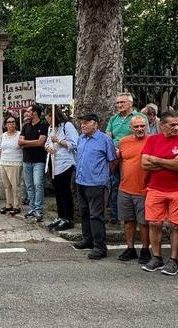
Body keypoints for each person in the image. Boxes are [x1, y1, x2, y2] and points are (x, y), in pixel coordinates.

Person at [141, 110, 178, 276]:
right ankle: (156, 257)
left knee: (175, 225)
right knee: (154, 223)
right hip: (155, 188)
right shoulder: (152, 140)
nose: (177, 127)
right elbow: (144, 164)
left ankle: (173, 260)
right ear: (162, 125)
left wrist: (156, 160)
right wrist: (172, 162)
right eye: (172, 124)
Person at [72, 114, 117, 260]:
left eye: (86, 123)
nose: (82, 126)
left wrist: (102, 176)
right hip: (81, 181)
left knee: (96, 215)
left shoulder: (105, 140)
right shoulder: (81, 139)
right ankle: (87, 239)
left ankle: (100, 247)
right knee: (84, 212)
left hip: (96, 183)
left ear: (95, 124)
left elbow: (113, 161)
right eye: (81, 123)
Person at [115, 115, 152, 263]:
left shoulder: (152, 140)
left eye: (142, 126)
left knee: (144, 223)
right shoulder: (123, 142)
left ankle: (145, 249)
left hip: (144, 189)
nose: (139, 129)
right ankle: (130, 249)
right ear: (131, 128)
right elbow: (119, 162)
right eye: (136, 126)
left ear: (147, 126)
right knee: (128, 221)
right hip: (124, 188)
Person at [105, 92, 145, 223]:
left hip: (132, 156)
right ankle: (116, 216)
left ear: (130, 103)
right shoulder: (113, 119)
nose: (119, 105)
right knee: (115, 185)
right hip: (115, 155)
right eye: (117, 103)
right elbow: (108, 136)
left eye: (122, 102)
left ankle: (136, 216)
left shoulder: (139, 118)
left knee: (131, 186)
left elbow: (146, 137)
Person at [44, 107, 78, 231]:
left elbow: (74, 144)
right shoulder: (50, 128)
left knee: (64, 190)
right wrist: (48, 147)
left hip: (65, 163)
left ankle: (68, 218)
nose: (46, 119)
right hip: (53, 162)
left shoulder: (67, 126)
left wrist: (58, 140)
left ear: (53, 115)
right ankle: (60, 216)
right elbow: (47, 143)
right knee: (57, 190)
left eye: (47, 116)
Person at [19, 105, 49, 221]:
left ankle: (38, 209)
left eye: (28, 111)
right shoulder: (25, 126)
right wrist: (34, 142)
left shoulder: (44, 125)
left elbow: (41, 142)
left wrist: (25, 142)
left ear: (35, 113)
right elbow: (19, 143)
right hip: (27, 160)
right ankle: (32, 208)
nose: (26, 113)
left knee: (38, 184)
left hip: (39, 161)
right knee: (29, 186)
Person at [0, 116, 23, 214]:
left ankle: (16, 205)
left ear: (16, 124)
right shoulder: (3, 135)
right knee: (6, 185)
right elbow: (1, 149)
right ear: (5, 124)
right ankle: (9, 204)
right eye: (9, 122)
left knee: (15, 185)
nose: (11, 124)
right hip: (4, 162)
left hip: (15, 162)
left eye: (13, 122)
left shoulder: (20, 134)